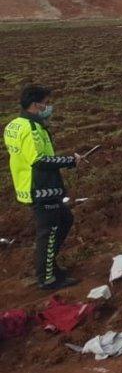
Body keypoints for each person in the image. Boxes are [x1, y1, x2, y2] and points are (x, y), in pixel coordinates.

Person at [5, 85, 83, 290]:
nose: (47, 106)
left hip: (29, 184)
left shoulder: (14, 124)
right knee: (49, 232)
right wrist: (69, 161)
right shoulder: (31, 129)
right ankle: (47, 278)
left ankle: (49, 266)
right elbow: (38, 160)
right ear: (35, 104)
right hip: (40, 187)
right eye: (45, 103)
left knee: (65, 219)